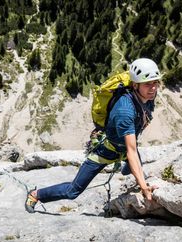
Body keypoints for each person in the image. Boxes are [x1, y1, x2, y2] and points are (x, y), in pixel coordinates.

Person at [25, 58, 161, 213]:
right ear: (135, 85)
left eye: (155, 82)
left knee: (133, 166)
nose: (153, 88)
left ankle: (129, 171)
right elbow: (131, 151)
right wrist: (144, 187)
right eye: (147, 84)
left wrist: (140, 179)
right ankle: (36, 194)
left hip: (124, 147)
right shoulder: (125, 111)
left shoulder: (147, 97)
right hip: (105, 151)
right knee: (72, 191)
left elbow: (131, 147)